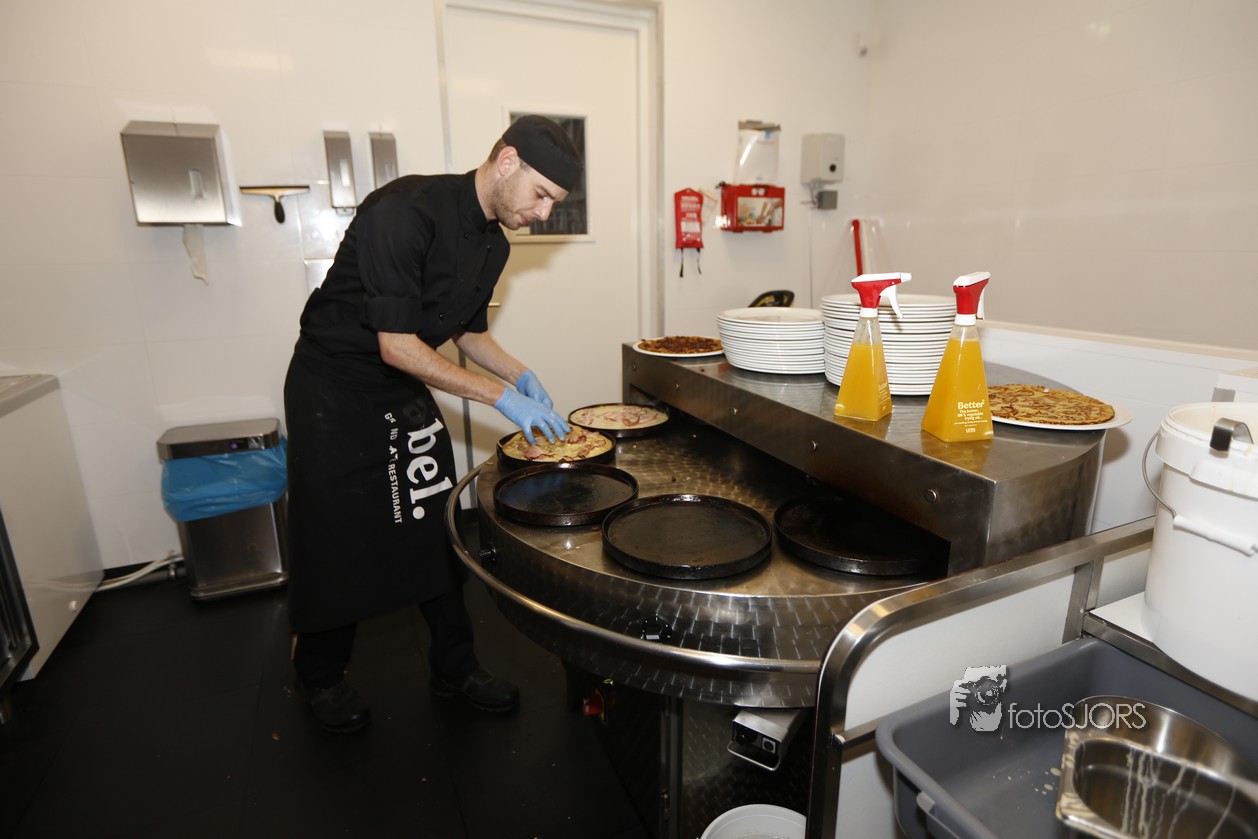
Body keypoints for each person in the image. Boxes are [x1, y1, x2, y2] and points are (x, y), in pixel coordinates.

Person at [283, 115, 583, 733]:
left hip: (398, 384)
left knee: (434, 518)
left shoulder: (495, 245)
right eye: (541, 195)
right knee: (335, 532)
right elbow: (396, 344)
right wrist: (504, 399)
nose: (543, 213)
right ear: (507, 161)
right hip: (332, 387)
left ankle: (454, 666)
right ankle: (320, 674)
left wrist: (521, 373)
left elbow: (465, 332)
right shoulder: (404, 213)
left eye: (553, 202)